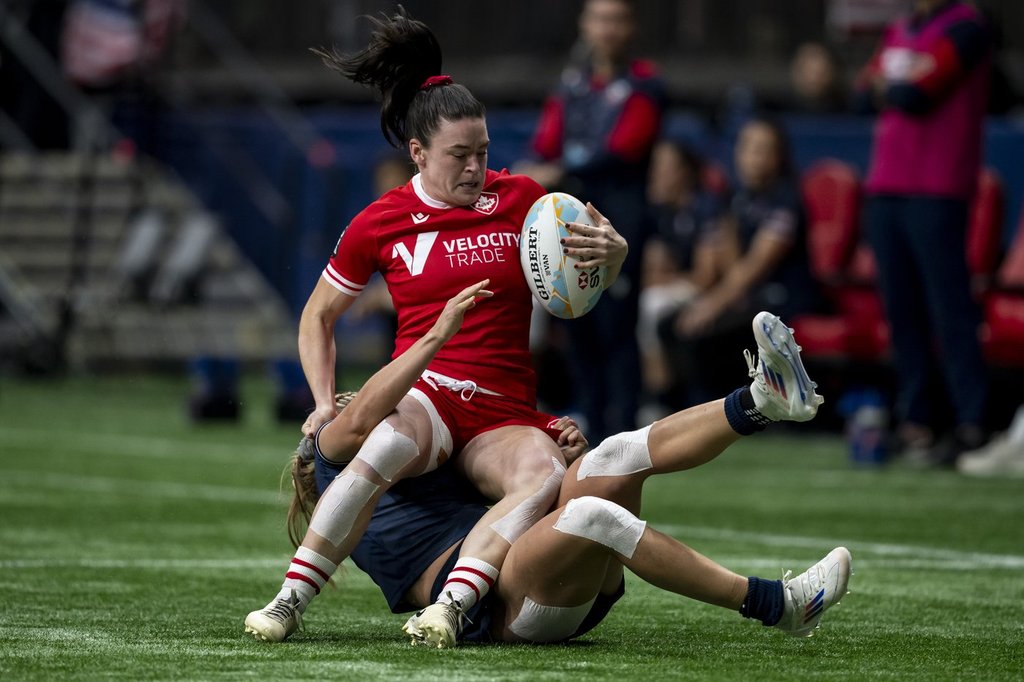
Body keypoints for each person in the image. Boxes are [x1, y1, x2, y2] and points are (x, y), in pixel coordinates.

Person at [244, 8, 628, 648]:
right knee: (389, 441)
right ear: (418, 152)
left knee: (544, 477)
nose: (476, 168)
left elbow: (582, 277)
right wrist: (319, 404)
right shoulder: (380, 221)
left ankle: (450, 609)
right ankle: (288, 600)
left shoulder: (526, 201)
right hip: (432, 392)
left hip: (506, 407)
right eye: (459, 155)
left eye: (483, 152)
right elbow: (318, 315)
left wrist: (611, 258)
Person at [281, 297, 846, 646]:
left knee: (611, 457)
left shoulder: (418, 456)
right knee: (593, 515)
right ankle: (779, 605)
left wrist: (557, 442)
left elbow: (498, 463)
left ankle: (760, 401)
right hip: (503, 608)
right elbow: (369, 411)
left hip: (536, 558)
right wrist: (434, 336)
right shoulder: (338, 460)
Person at [517, 0, 666, 442]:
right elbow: (545, 141)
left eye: (617, 18)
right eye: (600, 18)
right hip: (566, 226)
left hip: (617, 225)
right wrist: (542, 166)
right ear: (586, 25)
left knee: (617, 332)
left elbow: (625, 147)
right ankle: (590, 431)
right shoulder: (572, 84)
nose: (608, 28)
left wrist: (557, 168)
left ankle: (621, 435)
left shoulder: (646, 85)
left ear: (632, 26)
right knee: (577, 328)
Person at [855, 0, 992, 464]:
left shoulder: (967, 26)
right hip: (886, 186)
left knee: (948, 307)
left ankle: (972, 421)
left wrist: (887, 85)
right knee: (902, 311)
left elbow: (922, 93)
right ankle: (918, 420)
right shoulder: (898, 30)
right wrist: (892, 85)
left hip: (938, 187)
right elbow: (861, 93)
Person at [659, 117, 818, 406]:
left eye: (762, 150)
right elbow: (728, 266)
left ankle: (711, 411)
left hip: (780, 299)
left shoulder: (785, 200)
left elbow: (754, 269)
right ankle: (670, 407)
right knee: (668, 324)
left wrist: (711, 305)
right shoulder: (735, 199)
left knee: (701, 331)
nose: (752, 158)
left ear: (779, 156)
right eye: (746, 148)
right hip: (744, 297)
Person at [638, 139, 721, 414]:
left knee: (652, 303)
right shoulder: (662, 214)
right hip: (680, 284)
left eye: (666, 168)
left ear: (685, 172)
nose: (657, 175)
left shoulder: (705, 208)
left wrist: (665, 278)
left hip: (709, 291)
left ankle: (659, 398)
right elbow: (654, 267)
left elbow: (706, 275)